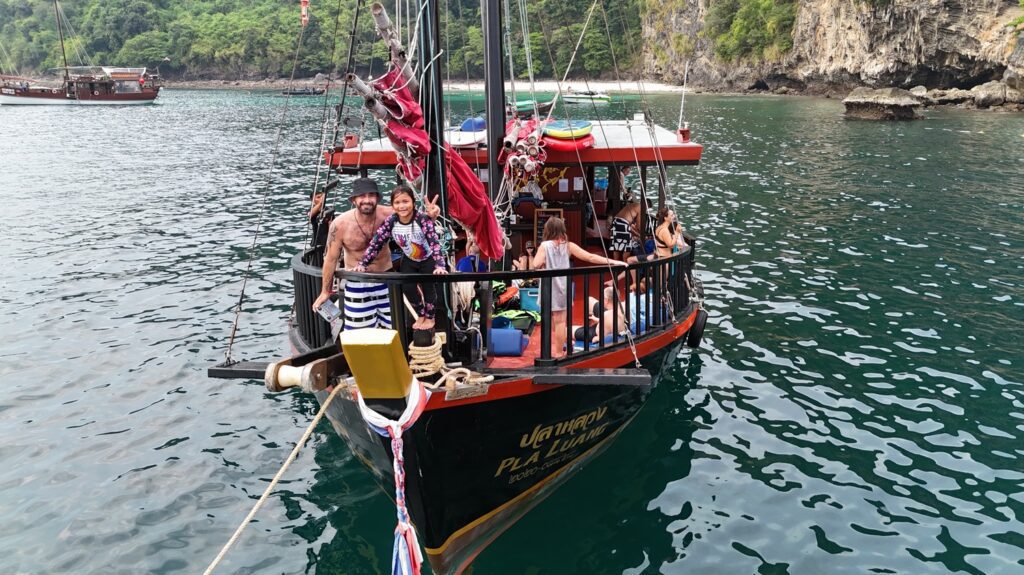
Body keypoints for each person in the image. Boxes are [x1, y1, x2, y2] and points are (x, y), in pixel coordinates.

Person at [311, 177, 439, 331]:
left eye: (371, 195)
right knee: (359, 333)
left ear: (377, 198)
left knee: (394, 330)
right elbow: (330, 259)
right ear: (353, 200)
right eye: (362, 196)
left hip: (386, 279)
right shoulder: (340, 225)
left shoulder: (391, 214)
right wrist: (325, 291)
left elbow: (417, 221)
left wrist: (431, 216)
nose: (367, 200)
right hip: (357, 282)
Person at [355, 184, 447, 331]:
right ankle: (421, 314)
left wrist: (440, 265)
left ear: (413, 203)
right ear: (392, 205)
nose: (402, 206)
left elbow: (434, 243)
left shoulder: (422, 220)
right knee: (408, 288)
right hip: (410, 259)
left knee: (429, 289)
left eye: (405, 202)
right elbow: (377, 242)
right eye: (397, 203)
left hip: (427, 259)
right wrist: (363, 263)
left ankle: (430, 317)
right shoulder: (392, 222)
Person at [531, 217, 626, 358]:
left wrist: (545, 262)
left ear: (547, 230)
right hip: (562, 287)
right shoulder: (568, 246)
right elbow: (590, 257)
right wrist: (614, 262)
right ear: (562, 230)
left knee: (551, 321)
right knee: (560, 322)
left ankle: (556, 349)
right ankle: (558, 353)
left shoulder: (544, 246)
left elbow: (535, 264)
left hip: (547, 288)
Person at [609, 192, 642, 262]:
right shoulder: (640, 208)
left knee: (616, 245)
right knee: (627, 247)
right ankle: (625, 265)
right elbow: (639, 226)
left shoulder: (633, 204)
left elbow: (627, 225)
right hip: (623, 223)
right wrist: (640, 234)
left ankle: (616, 265)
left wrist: (635, 233)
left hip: (616, 221)